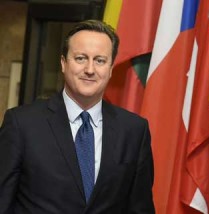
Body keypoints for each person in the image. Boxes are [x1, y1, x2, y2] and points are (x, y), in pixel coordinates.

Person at [0, 20, 155, 213]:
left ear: (111, 68)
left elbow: (141, 208)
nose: (90, 69)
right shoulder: (21, 124)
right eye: (81, 58)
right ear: (64, 63)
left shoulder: (134, 131)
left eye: (100, 60)